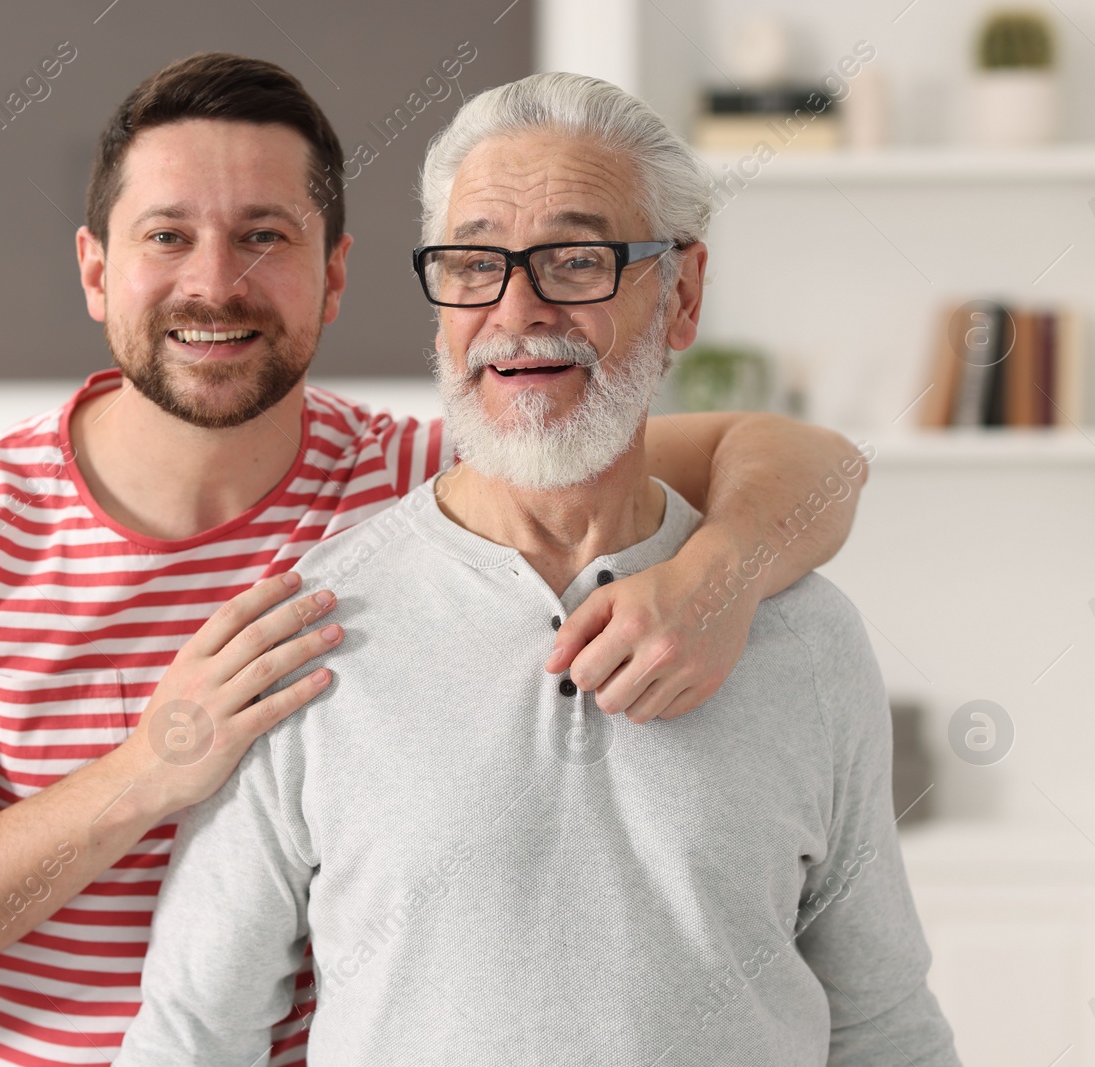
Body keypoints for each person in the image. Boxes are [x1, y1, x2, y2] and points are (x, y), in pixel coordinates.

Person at [0, 54, 869, 1067]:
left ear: (338, 274)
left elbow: (799, 461)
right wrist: (145, 773)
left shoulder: (428, 479)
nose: (214, 283)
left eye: (264, 235)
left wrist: (717, 577)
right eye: (166, 235)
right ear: (95, 270)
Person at [117, 71, 956, 1066]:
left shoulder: (804, 636)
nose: (516, 309)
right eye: (473, 263)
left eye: (574, 257)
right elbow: (192, 1039)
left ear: (681, 295)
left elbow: (883, 1026)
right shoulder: (302, 634)